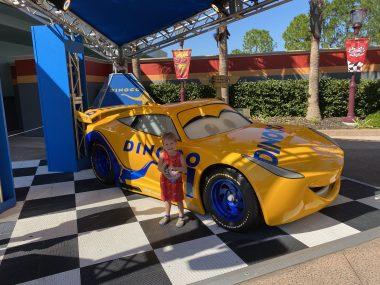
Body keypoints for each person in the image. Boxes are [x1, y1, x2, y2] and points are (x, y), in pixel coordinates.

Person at [158, 132, 187, 227]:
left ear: (176, 143)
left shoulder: (179, 155)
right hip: (165, 180)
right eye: (166, 144)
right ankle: (167, 215)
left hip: (176, 181)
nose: (169, 146)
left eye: (171, 143)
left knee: (179, 199)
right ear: (163, 145)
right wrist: (166, 169)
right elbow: (159, 168)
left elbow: (185, 169)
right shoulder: (162, 155)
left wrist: (175, 168)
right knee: (166, 198)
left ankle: (181, 216)